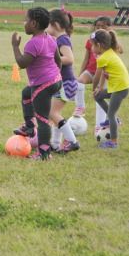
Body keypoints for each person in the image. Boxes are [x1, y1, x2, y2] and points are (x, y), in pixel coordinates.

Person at [12, 7, 62, 160]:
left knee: (43, 119)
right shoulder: (50, 39)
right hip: (55, 80)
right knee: (26, 93)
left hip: (43, 86)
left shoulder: (33, 43)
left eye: (26, 20)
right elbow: (58, 61)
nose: (24, 23)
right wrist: (55, 76)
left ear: (33, 23)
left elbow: (22, 63)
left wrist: (15, 46)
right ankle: (28, 126)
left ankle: (44, 153)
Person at [74, 16, 119, 131]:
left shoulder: (109, 43)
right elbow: (86, 59)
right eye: (97, 26)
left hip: (103, 76)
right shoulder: (91, 41)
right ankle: (80, 107)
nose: (99, 29)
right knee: (78, 83)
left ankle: (99, 126)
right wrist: (80, 73)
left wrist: (112, 40)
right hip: (90, 72)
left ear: (109, 28)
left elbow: (120, 50)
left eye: (103, 27)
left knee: (99, 99)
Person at [46, 9, 80, 153]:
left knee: (52, 113)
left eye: (48, 25)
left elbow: (70, 58)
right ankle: (54, 143)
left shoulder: (63, 39)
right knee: (54, 114)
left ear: (56, 25)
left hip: (66, 84)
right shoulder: (59, 39)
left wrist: (52, 59)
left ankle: (72, 141)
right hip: (63, 84)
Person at [91, 29, 129, 149]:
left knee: (111, 114)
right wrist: (99, 89)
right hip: (118, 87)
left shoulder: (103, 58)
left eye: (93, 45)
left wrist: (94, 88)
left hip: (120, 89)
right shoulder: (108, 53)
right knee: (98, 96)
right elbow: (104, 73)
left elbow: (96, 77)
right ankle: (113, 120)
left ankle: (113, 142)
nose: (91, 48)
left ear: (99, 45)